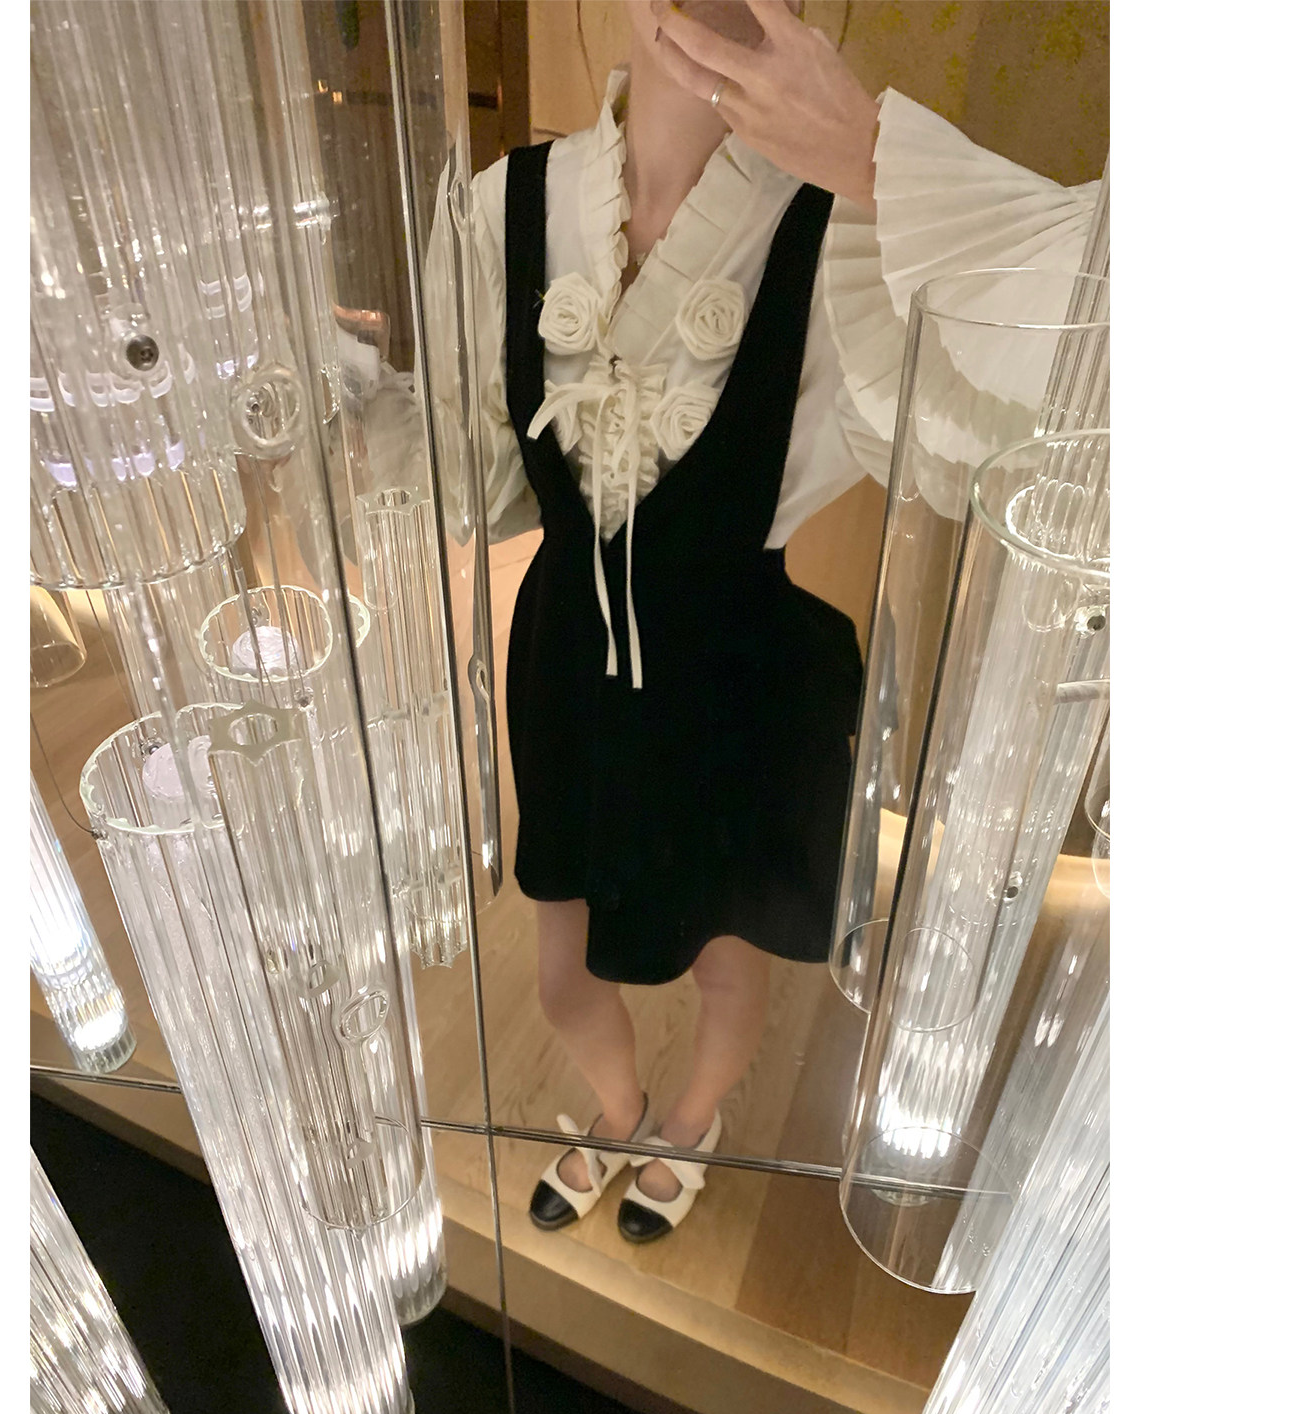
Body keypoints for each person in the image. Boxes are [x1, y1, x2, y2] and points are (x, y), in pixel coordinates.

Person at [429, 0, 1101, 1244]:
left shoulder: (847, 222)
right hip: (569, 662)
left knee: (724, 953)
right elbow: (475, 476)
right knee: (561, 968)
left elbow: (1022, 409)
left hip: (736, 674)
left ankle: (689, 1126)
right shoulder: (501, 207)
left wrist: (880, 162)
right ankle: (621, 1112)